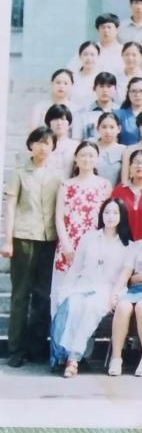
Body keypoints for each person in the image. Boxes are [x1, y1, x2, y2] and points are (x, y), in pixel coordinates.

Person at [49, 198, 131, 377]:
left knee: (90, 309)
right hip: (82, 285)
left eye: (115, 212)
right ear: (102, 214)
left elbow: (123, 277)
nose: (110, 216)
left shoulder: (127, 244)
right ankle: (64, 355)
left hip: (107, 290)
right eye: (107, 212)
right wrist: (67, 289)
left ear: (122, 216)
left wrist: (114, 295)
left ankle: (74, 359)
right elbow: (76, 267)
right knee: (73, 305)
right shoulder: (89, 238)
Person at [2, 128, 62, 368]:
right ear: (30, 145)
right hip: (23, 236)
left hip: (49, 239)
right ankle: (16, 349)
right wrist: (7, 240)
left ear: (52, 147)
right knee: (20, 296)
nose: (42, 147)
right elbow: (10, 207)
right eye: (38, 143)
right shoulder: (19, 173)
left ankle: (37, 346)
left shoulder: (57, 175)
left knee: (42, 295)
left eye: (47, 143)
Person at [53, 142, 114, 314]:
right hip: (69, 244)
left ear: (97, 159)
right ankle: (59, 339)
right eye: (83, 155)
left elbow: (107, 219)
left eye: (91, 155)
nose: (87, 159)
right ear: (75, 158)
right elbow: (58, 217)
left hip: (95, 246)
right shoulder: (66, 185)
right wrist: (66, 245)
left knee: (87, 297)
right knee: (63, 293)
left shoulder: (105, 185)